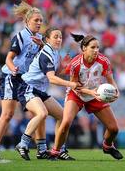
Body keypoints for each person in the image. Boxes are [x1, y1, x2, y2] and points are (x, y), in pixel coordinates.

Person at [50, 33, 123, 160]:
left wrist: (116, 91)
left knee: (114, 128)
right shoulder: (75, 63)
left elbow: (111, 80)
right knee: (66, 122)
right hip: (77, 94)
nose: (96, 50)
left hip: (95, 95)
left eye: (97, 47)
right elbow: (74, 86)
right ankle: (55, 152)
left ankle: (107, 146)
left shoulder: (104, 61)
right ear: (84, 48)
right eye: (93, 47)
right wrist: (91, 92)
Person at [0, 1, 44, 159]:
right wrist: (13, 68)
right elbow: (8, 58)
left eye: (41, 20)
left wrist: (43, 45)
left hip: (26, 79)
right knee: (7, 114)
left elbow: (47, 55)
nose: (39, 23)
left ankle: (41, 148)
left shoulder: (39, 38)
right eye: (36, 20)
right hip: (11, 76)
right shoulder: (21, 36)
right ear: (27, 21)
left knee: (38, 111)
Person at [15, 27, 80, 160]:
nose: (59, 39)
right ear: (47, 39)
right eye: (55, 36)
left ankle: (59, 150)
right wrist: (71, 84)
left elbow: (56, 72)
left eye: (60, 37)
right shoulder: (46, 53)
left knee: (63, 117)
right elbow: (52, 78)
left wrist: (65, 66)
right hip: (28, 87)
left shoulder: (55, 52)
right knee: (42, 113)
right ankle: (22, 143)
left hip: (39, 90)